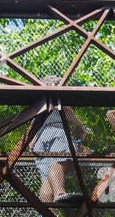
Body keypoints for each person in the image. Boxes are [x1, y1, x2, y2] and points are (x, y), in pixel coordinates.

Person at [33, 75, 87, 205]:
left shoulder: (37, 104)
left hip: (38, 140)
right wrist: (79, 130)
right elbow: (77, 124)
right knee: (59, 162)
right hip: (57, 133)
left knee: (46, 178)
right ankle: (59, 193)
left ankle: (48, 213)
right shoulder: (59, 100)